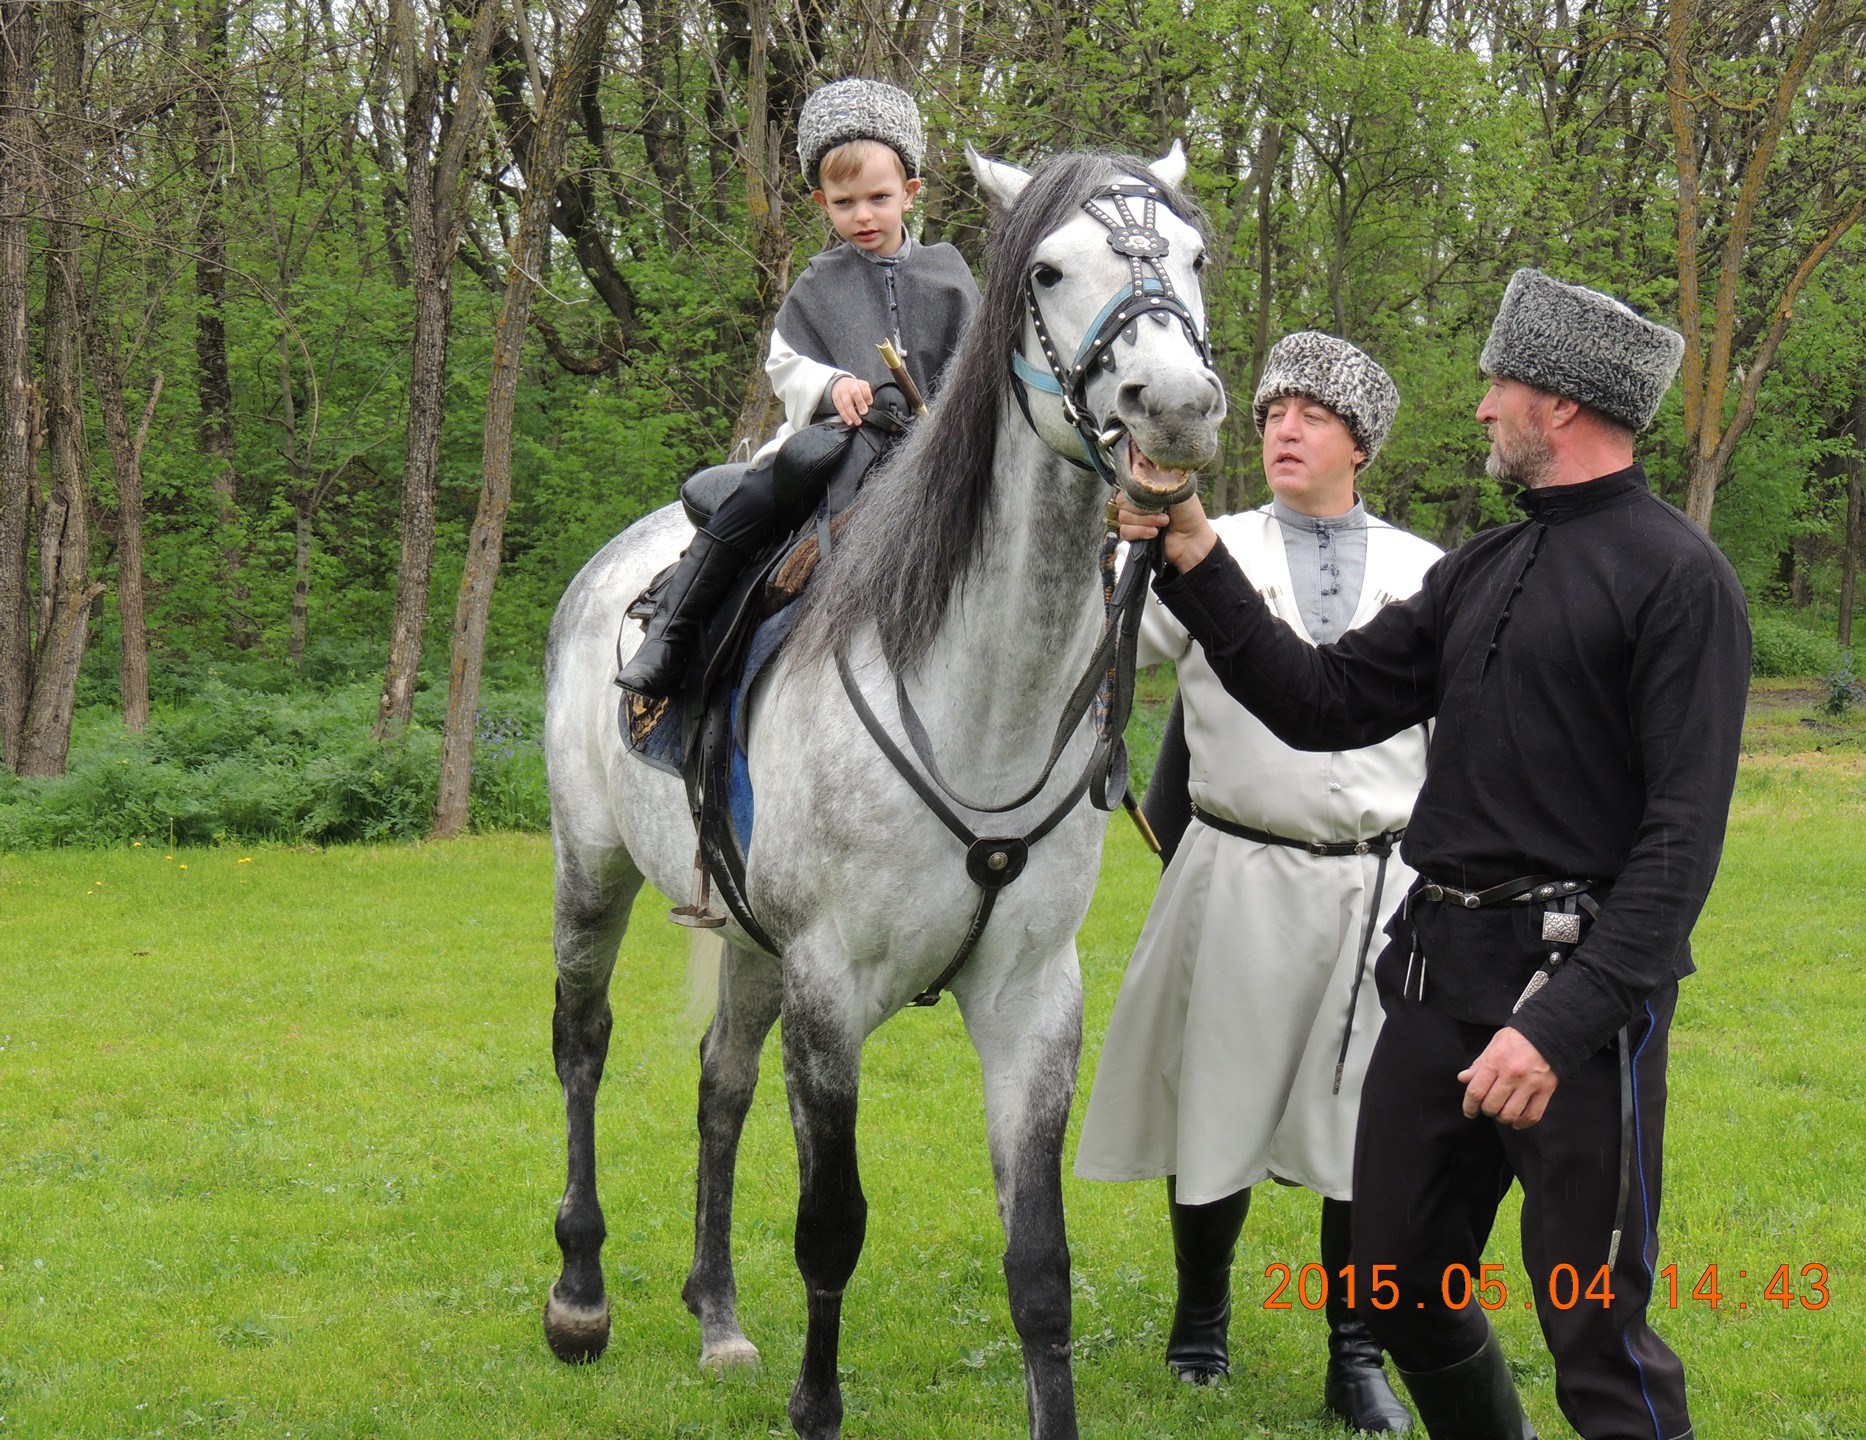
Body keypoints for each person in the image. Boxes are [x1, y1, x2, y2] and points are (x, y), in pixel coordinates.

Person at [1115, 269, 1750, 1440]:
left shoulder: (1680, 582)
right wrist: (1198, 553)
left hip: (1575, 1002)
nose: (1481, 411)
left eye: (1498, 386)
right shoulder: (1483, 570)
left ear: (1558, 404)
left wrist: (1554, 1026)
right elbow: (1320, 698)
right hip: (1434, 980)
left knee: (1594, 1329)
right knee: (1397, 1289)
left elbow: (1679, 845)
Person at [1076, 332, 1436, 1433]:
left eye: (1311, 415)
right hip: (1235, 866)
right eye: (1272, 410)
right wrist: (1113, 547)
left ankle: (1357, 1349)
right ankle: (1201, 1318)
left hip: (1383, 884)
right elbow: (1097, 646)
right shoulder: (1203, 547)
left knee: (1365, 1133)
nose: (1283, 427)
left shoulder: (1431, 573)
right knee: (1215, 1109)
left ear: (1360, 443)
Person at [616, 77, 978, 698]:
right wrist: (833, 381)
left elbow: (977, 363)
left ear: (910, 193)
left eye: (878, 198)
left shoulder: (948, 274)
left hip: (937, 446)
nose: (862, 216)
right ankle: (672, 631)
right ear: (821, 202)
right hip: (841, 441)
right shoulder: (819, 281)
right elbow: (784, 362)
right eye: (843, 203)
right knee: (760, 494)